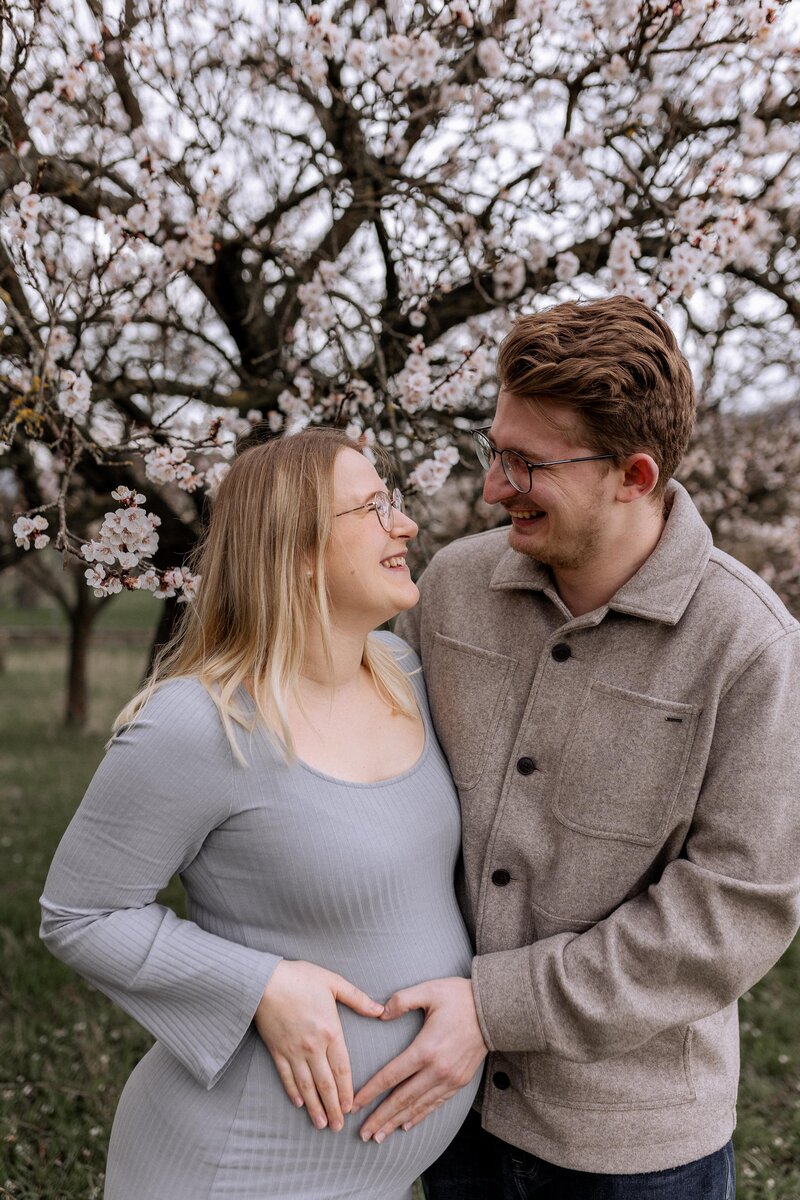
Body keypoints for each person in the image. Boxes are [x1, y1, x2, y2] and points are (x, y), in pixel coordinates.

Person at [350, 296, 800, 1199]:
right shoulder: (453, 587)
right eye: (493, 450)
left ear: (633, 475)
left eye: (526, 464)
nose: (490, 487)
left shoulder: (749, 646)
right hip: (447, 1108)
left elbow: (735, 910)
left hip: (633, 1153)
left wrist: (496, 1006)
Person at [39, 428, 481, 1200]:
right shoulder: (198, 723)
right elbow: (80, 913)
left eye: (396, 503)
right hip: (235, 1167)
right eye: (372, 508)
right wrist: (261, 984)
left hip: (376, 1177)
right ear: (299, 549)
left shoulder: (405, 673)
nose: (405, 525)